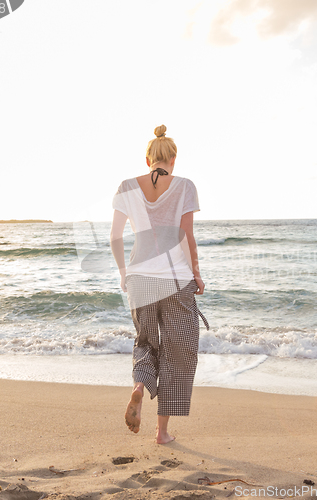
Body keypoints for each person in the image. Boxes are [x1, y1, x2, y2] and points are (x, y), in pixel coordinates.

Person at [110, 125, 208, 444]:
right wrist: (196, 273)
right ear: (174, 159)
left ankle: (139, 387)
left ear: (148, 158)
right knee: (177, 351)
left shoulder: (127, 186)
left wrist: (125, 272)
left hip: (140, 279)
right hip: (175, 279)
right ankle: (162, 433)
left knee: (145, 342)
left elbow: (114, 237)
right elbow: (186, 237)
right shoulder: (184, 186)